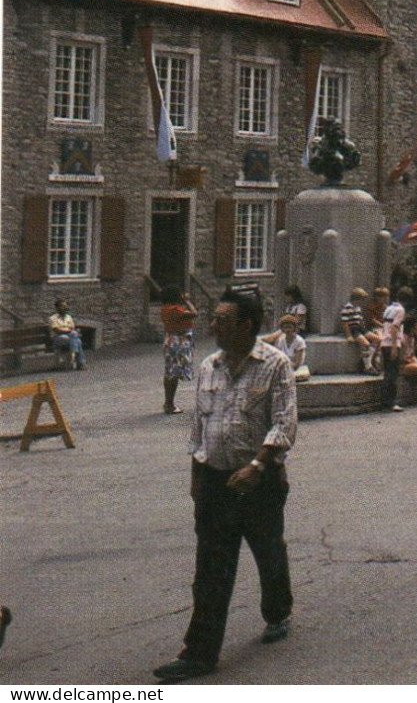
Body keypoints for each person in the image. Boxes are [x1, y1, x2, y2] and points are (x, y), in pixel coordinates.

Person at [153, 287, 296, 682]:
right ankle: (199, 653)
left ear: (245, 326)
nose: (212, 324)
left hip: (259, 480)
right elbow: (199, 426)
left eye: (221, 320)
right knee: (211, 569)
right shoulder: (208, 367)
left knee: (267, 550)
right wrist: (197, 476)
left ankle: (277, 610)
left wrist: (258, 465)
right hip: (216, 481)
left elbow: (284, 423)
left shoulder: (274, 365)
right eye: (213, 318)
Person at [161, 287, 198, 415]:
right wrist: (187, 301)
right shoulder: (174, 310)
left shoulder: (166, 309)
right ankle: (169, 404)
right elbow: (194, 313)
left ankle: (168, 403)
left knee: (171, 372)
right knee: (173, 373)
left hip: (173, 340)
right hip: (177, 342)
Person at [376, 287, 406, 411]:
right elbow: (394, 328)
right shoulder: (400, 310)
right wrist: (395, 346)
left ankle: (385, 401)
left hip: (384, 342)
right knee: (392, 374)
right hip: (392, 343)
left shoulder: (388, 308)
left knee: (388, 373)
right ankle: (391, 402)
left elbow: (385, 326)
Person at [261, 315, 311, 382]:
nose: (288, 330)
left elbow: (297, 364)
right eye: (285, 327)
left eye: (290, 327)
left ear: (294, 328)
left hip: (296, 368)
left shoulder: (299, 341)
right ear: (282, 329)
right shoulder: (280, 340)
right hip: (282, 367)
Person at [49, 298, 86, 371]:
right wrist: (68, 331)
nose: (65, 308)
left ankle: (76, 361)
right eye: (62, 306)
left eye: (66, 306)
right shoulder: (52, 318)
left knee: (77, 340)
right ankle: (78, 361)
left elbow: (72, 327)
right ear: (57, 308)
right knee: (74, 339)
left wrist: (69, 330)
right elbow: (57, 330)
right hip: (58, 338)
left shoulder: (69, 317)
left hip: (70, 337)